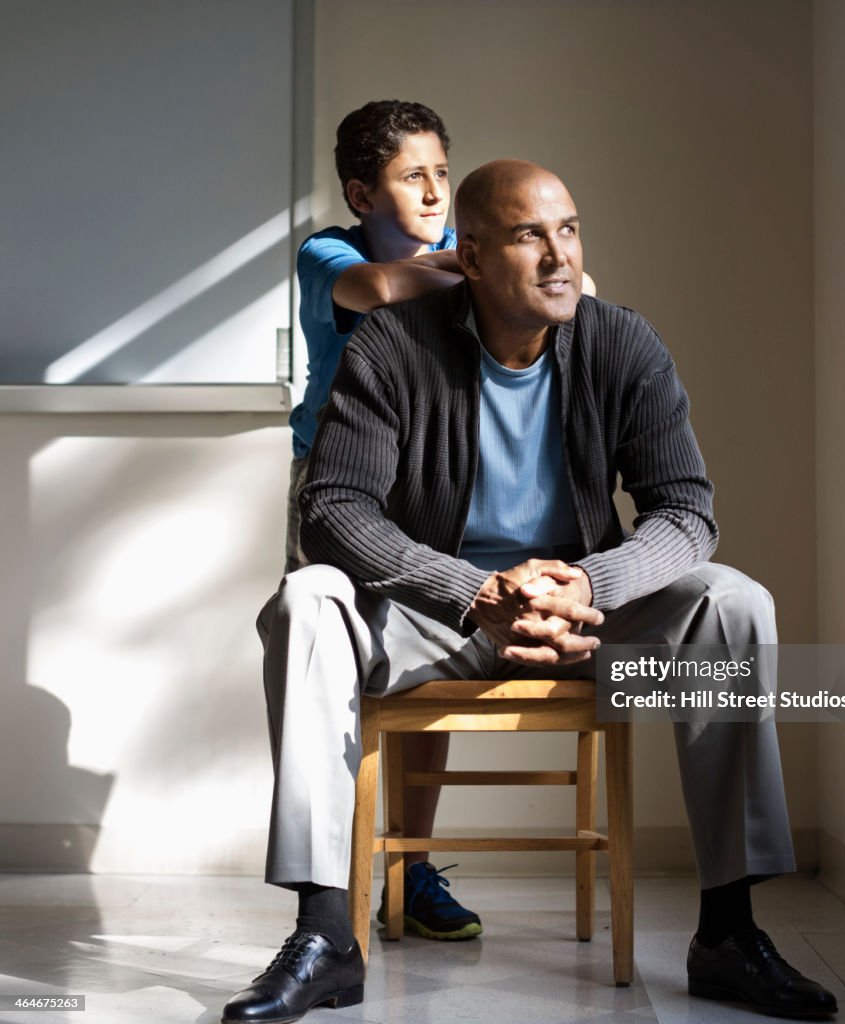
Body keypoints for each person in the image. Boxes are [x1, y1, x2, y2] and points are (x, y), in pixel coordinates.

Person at [223, 160, 838, 1023]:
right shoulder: (393, 345)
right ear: (469, 258)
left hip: (588, 616)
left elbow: (687, 512)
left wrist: (589, 582)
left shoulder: (622, 342)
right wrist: (475, 592)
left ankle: (729, 934)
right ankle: (326, 935)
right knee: (305, 601)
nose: (559, 257)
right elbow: (334, 510)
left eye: (569, 230)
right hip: (436, 614)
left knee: (731, 600)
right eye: (528, 236)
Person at [287, 99, 480, 943]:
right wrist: (489, 267)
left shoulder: (456, 259)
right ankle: (328, 886)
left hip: (427, 488)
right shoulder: (330, 251)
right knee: (332, 669)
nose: (436, 192)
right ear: (363, 192)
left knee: (426, 680)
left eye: (442, 173)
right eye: (413, 177)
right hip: (335, 489)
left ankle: (412, 868)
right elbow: (379, 289)